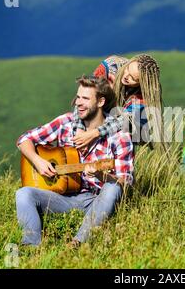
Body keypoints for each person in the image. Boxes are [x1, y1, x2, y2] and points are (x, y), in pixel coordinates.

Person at [15, 76, 134, 247]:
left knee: (113, 189)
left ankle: (78, 244)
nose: (78, 102)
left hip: (97, 200)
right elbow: (24, 140)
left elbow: (124, 182)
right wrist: (38, 161)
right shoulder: (66, 122)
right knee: (23, 194)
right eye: (78, 97)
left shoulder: (119, 136)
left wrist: (100, 175)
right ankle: (30, 247)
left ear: (101, 102)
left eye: (85, 98)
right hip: (63, 196)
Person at [72, 54, 166, 152]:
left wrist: (94, 134)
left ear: (142, 83)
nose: (126, 76)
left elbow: (121, 122)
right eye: (128, 69)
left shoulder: (143, 97)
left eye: (133, 78)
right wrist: (79, 132)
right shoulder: (110, 65)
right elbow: (85, 96)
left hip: (128, 127)